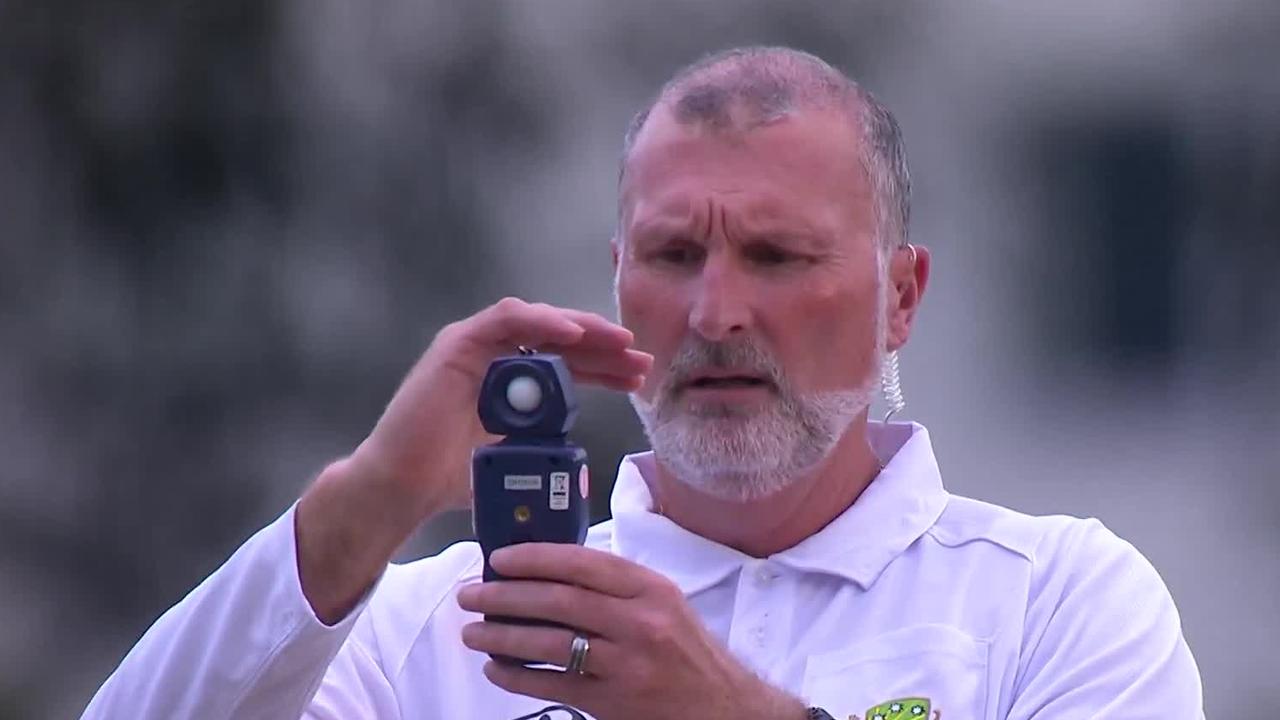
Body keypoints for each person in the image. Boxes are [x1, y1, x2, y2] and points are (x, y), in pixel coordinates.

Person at [82, 46, 1204, 720]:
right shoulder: (442, 627)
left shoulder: (1055, 600)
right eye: (673, 256)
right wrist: (368, 499)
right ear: (615, 284)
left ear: (898, 296)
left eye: (775, 256)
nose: (714, 313)